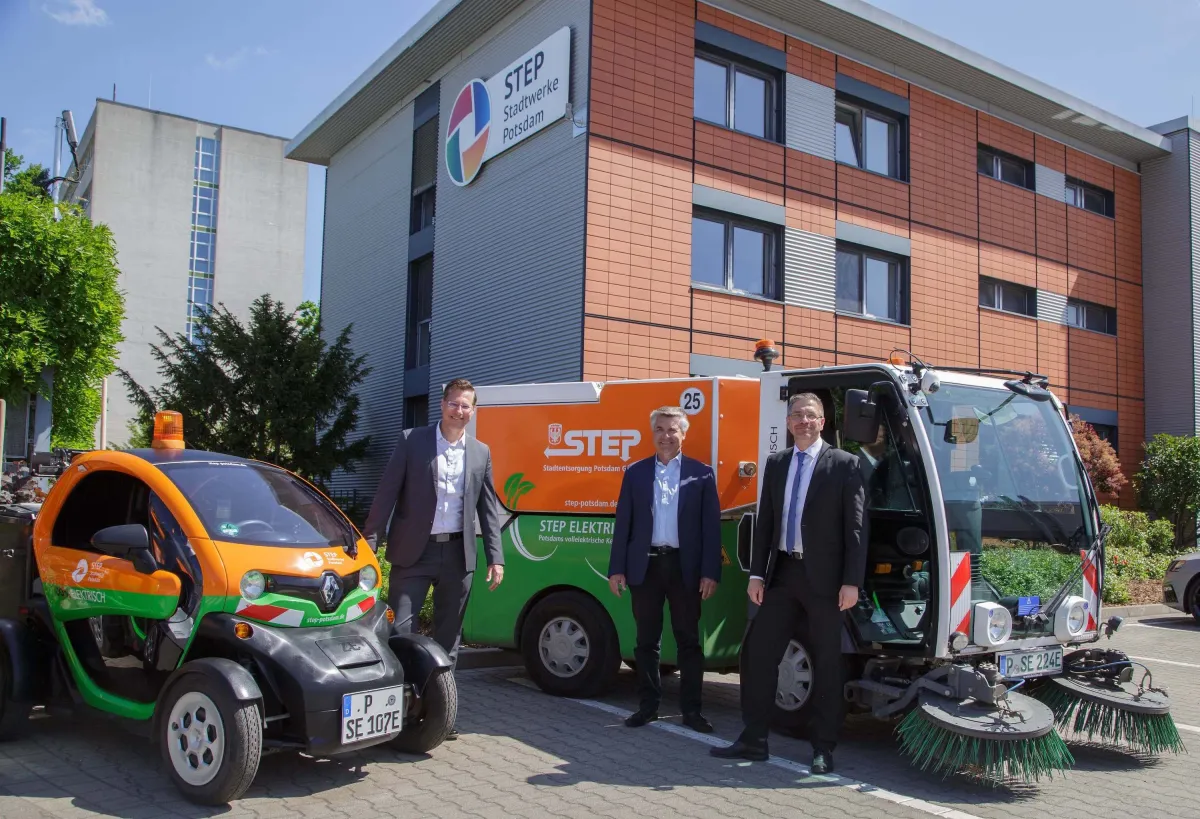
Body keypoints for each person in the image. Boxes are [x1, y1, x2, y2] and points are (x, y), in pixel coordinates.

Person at [710, 392, 866, 774]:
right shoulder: (777, 463)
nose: (802, 421)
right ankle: (754, 739)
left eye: (810, 415)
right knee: (758, 654)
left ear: (822, 422)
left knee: (828, 662)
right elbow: (767, 523)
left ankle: (823, 747)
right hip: (782, 574)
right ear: (789, 421)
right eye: (796, 415)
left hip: (826, 582)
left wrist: (851, 583)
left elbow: (857, 529)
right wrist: (757, 573)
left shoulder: (845, 465)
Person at [362, 378, 504, 740]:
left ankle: (442, 712)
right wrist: (370, 543)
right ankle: (397, 710)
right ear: (442, 406)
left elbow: (488, 509)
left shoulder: (481, 452)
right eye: (454, 404)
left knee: (448, 637)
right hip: (414, 552)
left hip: (458, 554)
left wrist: (495, 557)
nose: (459, 411)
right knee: (401, 631)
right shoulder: (413, 441)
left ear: (474, 412)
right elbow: (387, 492)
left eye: (466, 406)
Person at [608, 406, 721, 733]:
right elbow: (624, 523)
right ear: (652, 433)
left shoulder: (702, 474)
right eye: (660, 429)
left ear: (683, 434)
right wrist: (617, 568)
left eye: (673, 430)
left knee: (688, 641)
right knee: (646, 642)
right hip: (646, 567)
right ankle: (648, 706)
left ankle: (692, 711)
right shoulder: (636, 473)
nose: (666, 436)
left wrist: (710, 572)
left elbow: (710, 529)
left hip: (685, 568)